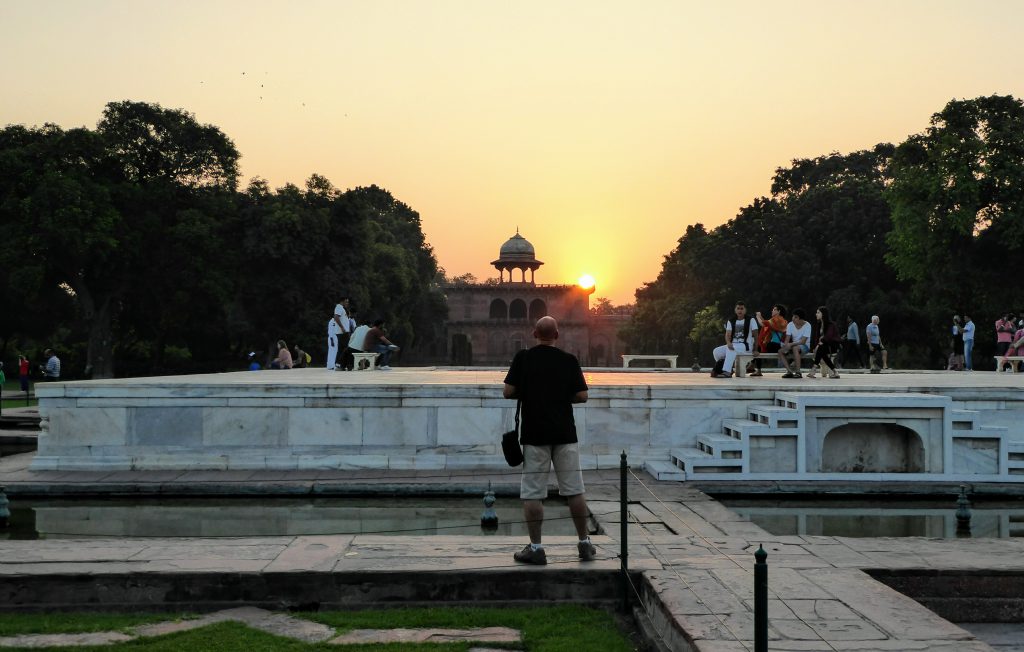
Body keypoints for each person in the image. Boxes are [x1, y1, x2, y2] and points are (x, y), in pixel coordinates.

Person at [503, 316, 594, 565]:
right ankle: (584, 543)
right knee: (574, 489)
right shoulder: (568, 360)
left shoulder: (524, 358)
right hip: (565, 433)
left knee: (533, 493)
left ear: (534, 333)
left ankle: (536, 548)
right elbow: (583, 396)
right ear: (557, 334)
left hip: (535, 434)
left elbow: (508, 391)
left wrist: (532, 392)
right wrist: (560, 396)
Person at [710, 302, 759, 378]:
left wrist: (755, 349)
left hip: (746, 346)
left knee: (731, 349)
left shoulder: (751, 320)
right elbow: (727, 335)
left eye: (742, 308)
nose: (740, 310)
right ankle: (729, 368)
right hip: (734, 345)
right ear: (735, 310)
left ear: (745, 310)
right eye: (738, 308)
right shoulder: (731, 321)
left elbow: (756, 336)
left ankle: (727, 371)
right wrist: (728, 343)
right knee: (716, 351)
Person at [752, 304, 788, 376]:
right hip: (778, 346)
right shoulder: (782, 320)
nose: (772, 311)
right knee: (758, 347)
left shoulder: (777, 319)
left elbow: (762, 324)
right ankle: (754, 367)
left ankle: (754, 367)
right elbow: (766, 323)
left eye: (774, 309)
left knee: (758, 347)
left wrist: (758, 316)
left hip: (774, 346)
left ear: (779, 311)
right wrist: (760, 317)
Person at [806, 306, 841, 379]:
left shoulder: (831, 324)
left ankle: (813, 369)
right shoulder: (819, 324)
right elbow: (817, 338)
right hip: (823, 346)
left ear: (823, 314)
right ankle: (835, 372)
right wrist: (816, 346)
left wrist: (818, 345)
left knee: (821, 349)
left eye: (818, 312)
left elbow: (829, 336)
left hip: (832, 345)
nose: (816, 314)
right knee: (822, 352)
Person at [778, 309, 811, 378]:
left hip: (804, 346)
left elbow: (803, 341)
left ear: (801, 319)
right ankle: (789, 371)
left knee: (795, 348)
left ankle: (798, 372)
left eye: (795, 317)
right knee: (780, 351)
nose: (793, 318)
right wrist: (786, 346)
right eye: (793, 316)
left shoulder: (807, 325)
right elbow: (787, 339)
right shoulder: (790, 324)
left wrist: (791, 344)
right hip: (793, 345)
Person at [326, 297, 352, 370]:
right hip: (342, 332)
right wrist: (342, 327)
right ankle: (339, 364)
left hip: (344, 332)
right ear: (342, 301)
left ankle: (341, 365)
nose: (347, 303)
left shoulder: (342, 308)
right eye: (346, 302)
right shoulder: (339, 307)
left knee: (343, 349)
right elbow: (336, 317)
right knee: (345, 349)